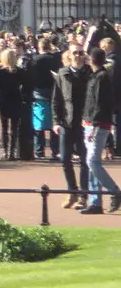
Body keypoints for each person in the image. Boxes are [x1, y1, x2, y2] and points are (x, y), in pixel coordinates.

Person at [79, 47, 119, 214]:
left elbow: (100, 104)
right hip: (91, 122)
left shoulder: (101, 77)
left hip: (97, 124)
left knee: (92, 161)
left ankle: (114, 191)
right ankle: (95, 201)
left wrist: (93, 123)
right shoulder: (96, 76)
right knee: (92, 162)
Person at [53, 47, 91, 209]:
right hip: (66, 122)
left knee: (84, 160)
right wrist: (56, 121)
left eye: (80, 53)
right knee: (65, 159)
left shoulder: (90, 73)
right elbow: (56, 99)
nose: (77, 56)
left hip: (83, 122)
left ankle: (83, 195)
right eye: (74, 53)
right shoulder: (62, 73)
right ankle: (72, 192)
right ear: (69, 55)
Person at [0, 48, 25, 161]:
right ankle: (12, 151)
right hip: (16, 99)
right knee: (14, 127)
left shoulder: (0, 72)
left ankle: (5, 151)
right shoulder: (20, 71)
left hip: (4, 100)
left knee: (4, 127)